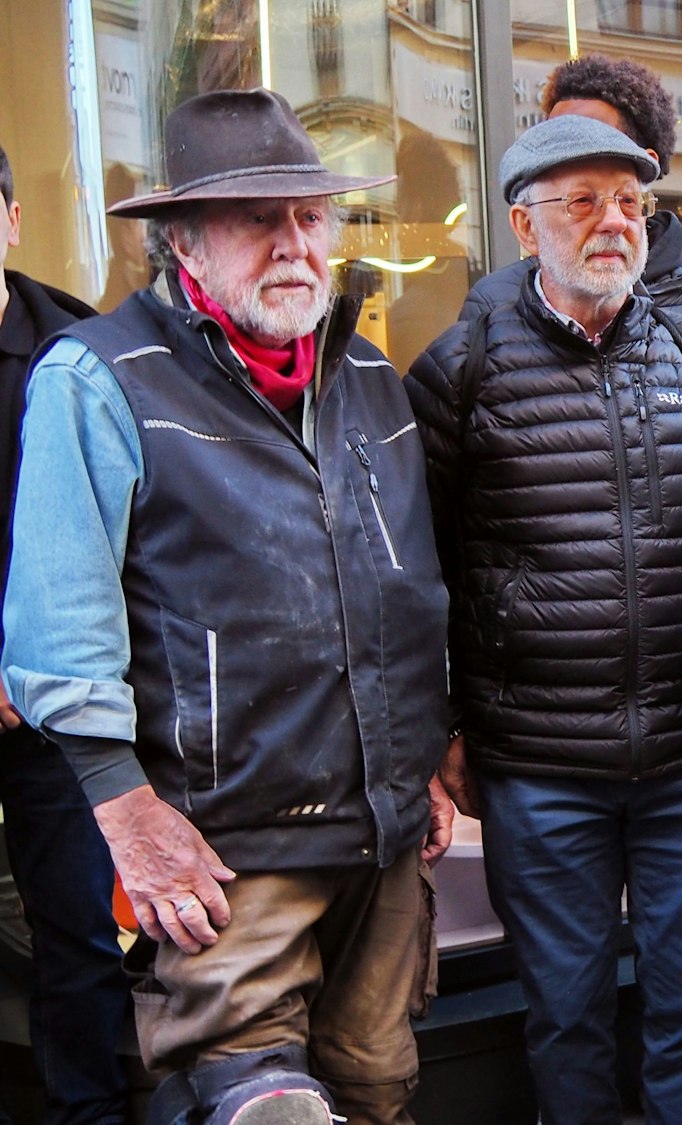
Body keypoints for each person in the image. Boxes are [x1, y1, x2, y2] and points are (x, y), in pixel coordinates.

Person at [2, 89, 454, 1124]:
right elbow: (56, 627)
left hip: (379, 834)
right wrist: (127, 814)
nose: (294, 244)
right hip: (220, 841)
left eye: (309, 217)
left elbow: (405, 582)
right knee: (253, 1095)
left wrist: (425, 752)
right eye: (258, 219)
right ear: (183, 243)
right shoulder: (98, 377)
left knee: (377, 1084)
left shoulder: (367, 372)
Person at [404, 114, 682, 1125]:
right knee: (565, 1012)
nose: (613, 222)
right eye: (582, 201)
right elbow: (414, 567)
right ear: (524, 226)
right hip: (537, 765)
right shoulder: (457, 370)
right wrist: (448, 730)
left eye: (629, 202)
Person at [0, 139, 130, 1125]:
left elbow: (115, 536)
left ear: (8, 220)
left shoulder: (73, 350)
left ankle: (85, 1114)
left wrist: (35, 671)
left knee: (80, 931)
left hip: (57, 709)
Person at [461, 53, 682, 362]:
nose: (567, 150)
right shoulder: (494, 302)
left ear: (642, 164)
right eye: (555, 139)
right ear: (525, 224)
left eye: (591, 140)